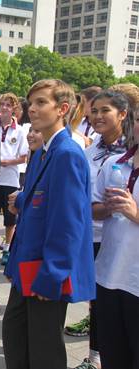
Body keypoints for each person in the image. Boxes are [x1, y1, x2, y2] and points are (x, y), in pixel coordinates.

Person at [2, 79, 95, 369]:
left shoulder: (67, 153)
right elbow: (43, 201)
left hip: (44, 270)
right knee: (17, 338)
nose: (32, 108)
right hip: (26, 265)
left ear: (62, 109)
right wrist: (22, 201)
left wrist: (52, 275)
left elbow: (69, 223)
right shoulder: (44, 150)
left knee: (43, 351)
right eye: (31, 102)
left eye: (42, 102)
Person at [67, 90, 129, 369]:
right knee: (96, 300)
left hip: (121, 241)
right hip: (89, 235)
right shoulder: (87, 150)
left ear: (123, 114)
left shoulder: (132, 152)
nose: (98, 116)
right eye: (95, 110)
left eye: (106, 110)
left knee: (116, 301)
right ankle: (95, 357)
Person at [92, 104, 139, 369]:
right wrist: (108, 208)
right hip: (109, 275)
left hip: (136, 282)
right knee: (113, 355)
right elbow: (93, 210)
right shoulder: (114, 164)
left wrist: (135, 213)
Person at [0, 92, 28, 267]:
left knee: (10, 218)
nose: (5, 108)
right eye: (2, 105)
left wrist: (5, 162)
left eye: (9, 105)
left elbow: (23, 157)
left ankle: (8, 248)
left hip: (10, 180)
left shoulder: (21, 131)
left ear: (14, 108)